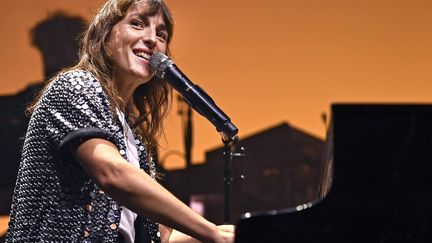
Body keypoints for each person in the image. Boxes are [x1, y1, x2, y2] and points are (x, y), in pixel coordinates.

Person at [5, 0, 234, 242]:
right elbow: (113, 173)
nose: (151, 39)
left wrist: (230, 234)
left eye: (161, 34)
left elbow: (156, 233)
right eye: (137, 24)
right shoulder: (73, 87)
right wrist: (212, 232)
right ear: (104, 37)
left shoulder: (131, 132)